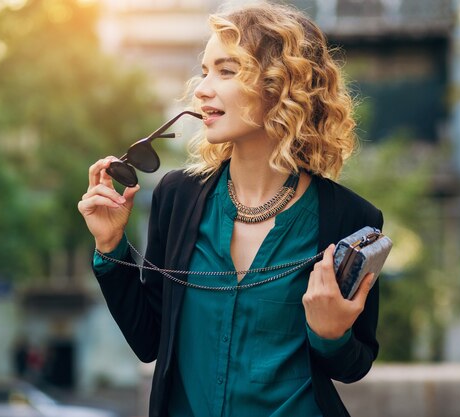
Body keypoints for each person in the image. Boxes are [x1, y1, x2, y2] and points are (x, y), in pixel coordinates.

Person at [78, 2, 383, 416]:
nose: (202, 88)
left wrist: (332, 334)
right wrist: (111, 246)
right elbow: (150, 339)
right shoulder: (176, 197)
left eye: (227, 70)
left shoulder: (350, 218)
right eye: (204, 71)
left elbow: (354, 365)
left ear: (281, 84)